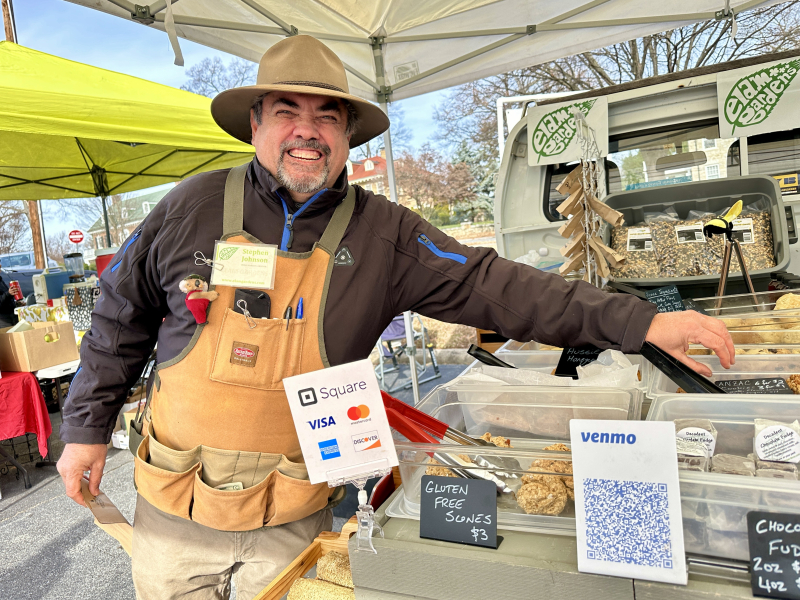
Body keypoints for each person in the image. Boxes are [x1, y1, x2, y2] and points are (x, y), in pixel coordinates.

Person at [57, 35, 734, 599]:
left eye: (327, 117)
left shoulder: (385, 233)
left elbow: (495, 284)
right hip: (175, 504)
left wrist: (639, 323)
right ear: (256, 124)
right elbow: (120, 317)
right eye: (287, 112)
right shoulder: (191, 206)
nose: (306, 131)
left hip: (296, 509)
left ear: (347, 135)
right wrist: (86, 429)